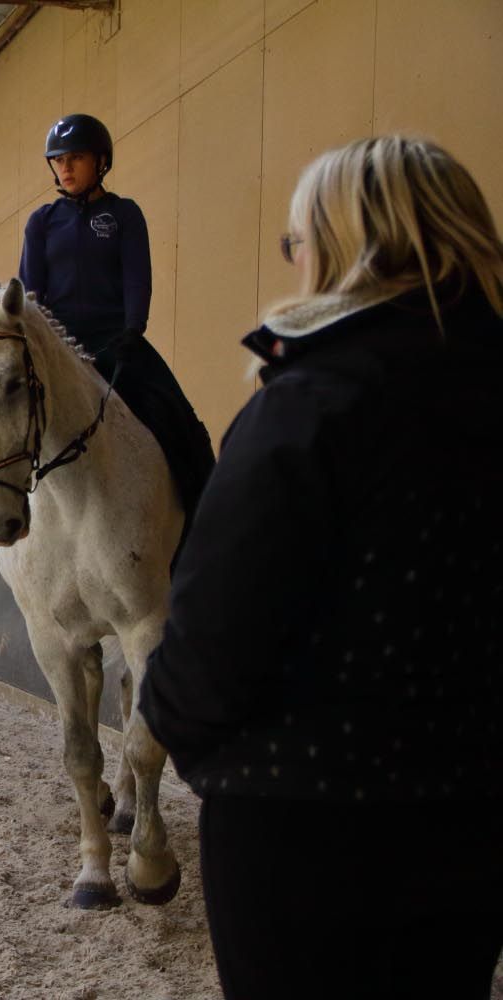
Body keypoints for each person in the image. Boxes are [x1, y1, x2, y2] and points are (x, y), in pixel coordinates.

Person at [137, 135, 503, 999]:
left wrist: (180, 732)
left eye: (296, 244)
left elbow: (208, 651)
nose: (294, 262)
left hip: (301, 821)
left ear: (343, 248)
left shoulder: (306, 404)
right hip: (475, 814)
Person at [0, 113, 215, 576]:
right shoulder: (42, 222)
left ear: (100, 162)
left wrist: (134, 328)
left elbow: (136, 278)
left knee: (183, 423)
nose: (66, 168)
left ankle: (210, 529)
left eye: (76, 159)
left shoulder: (124, 214)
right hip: (60, 350)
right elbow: (30, 296)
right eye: (59, 161)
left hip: (117, 342)